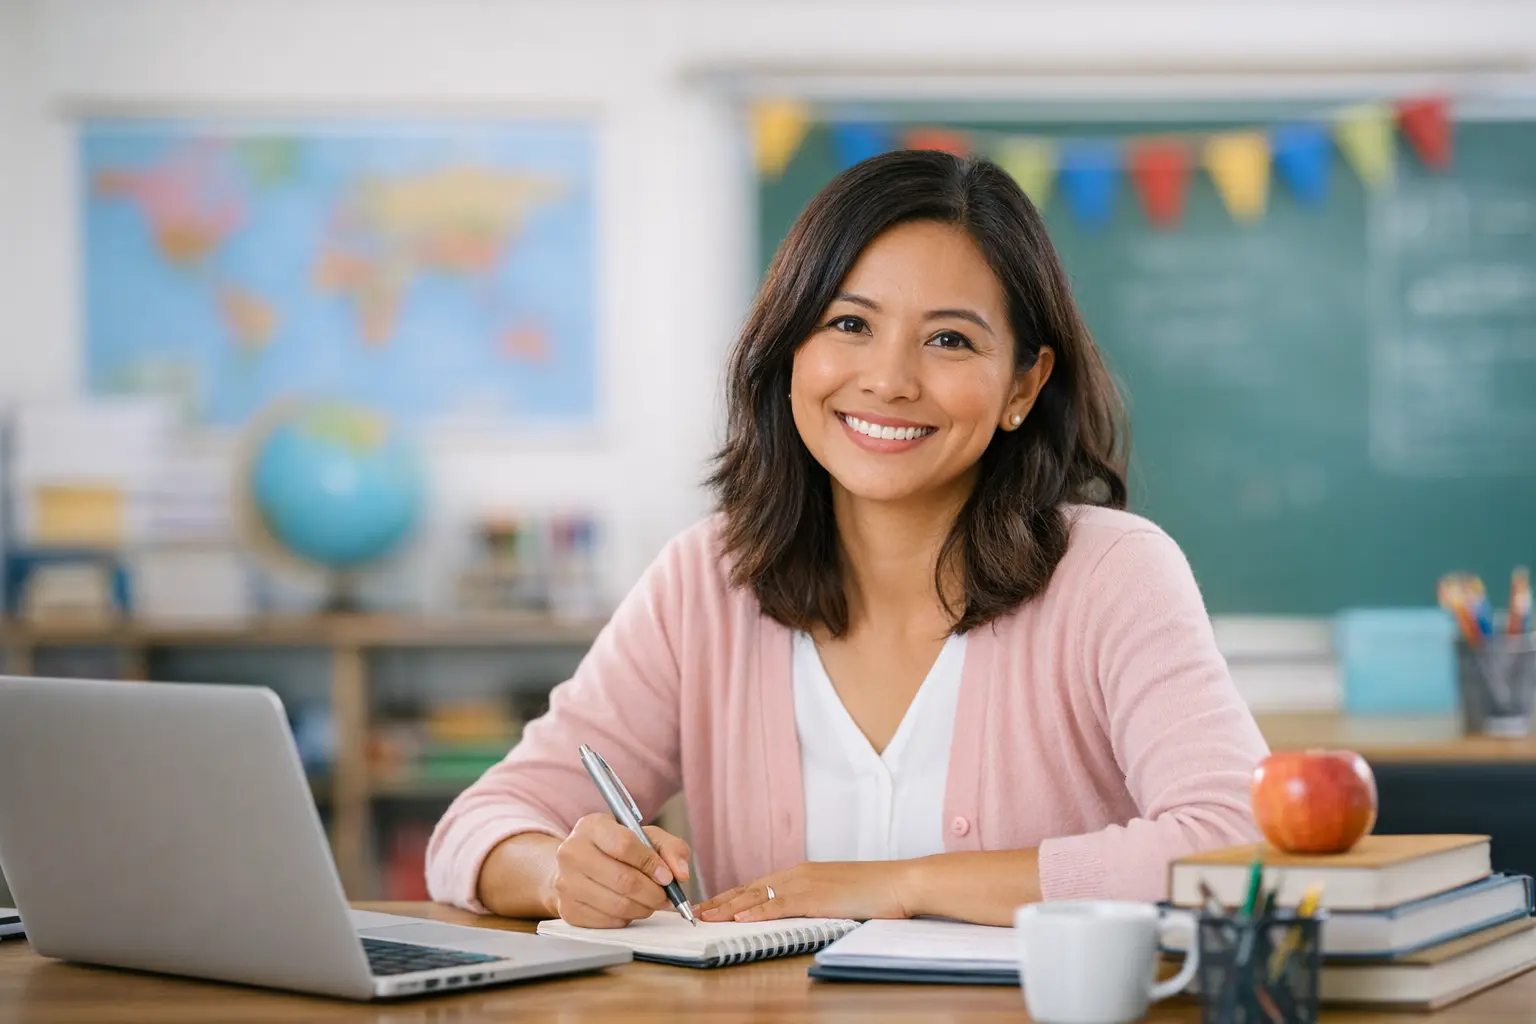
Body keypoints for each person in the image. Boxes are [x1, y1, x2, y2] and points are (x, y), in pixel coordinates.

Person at [425, 149, 1270, 929]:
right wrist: (556, 874)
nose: (889, 380)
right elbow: (477, 829)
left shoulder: (1112, 573)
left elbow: (1238, 843)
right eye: (849, 324)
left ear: (1023, 385)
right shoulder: (705, 581)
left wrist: (902, 885)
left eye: (949, 339)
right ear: (790, 344)